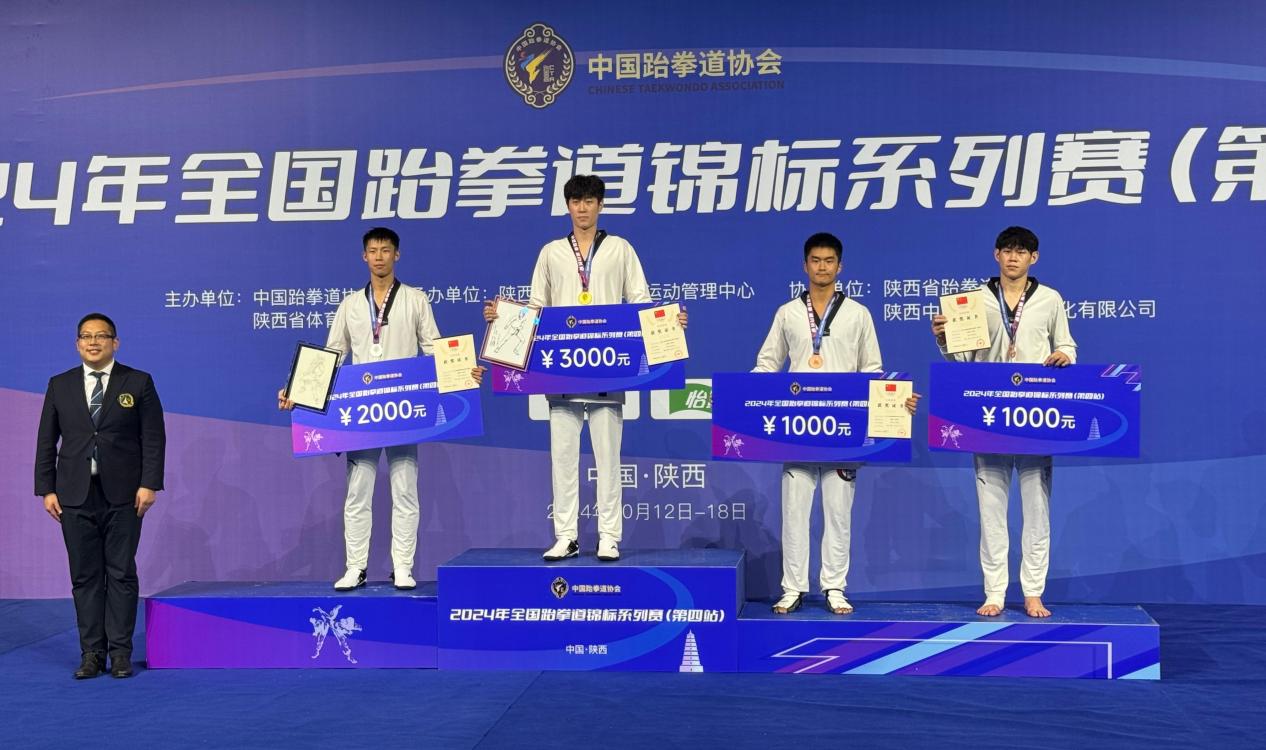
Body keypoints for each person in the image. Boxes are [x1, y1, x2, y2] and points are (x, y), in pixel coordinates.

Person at [483, 174, 685, 562]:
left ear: (600, 205)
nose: (582, 208)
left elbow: (641, 301)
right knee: (562, 459)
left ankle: (609, 536)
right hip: (560, 371)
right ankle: (566, 536)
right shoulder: (551, 252)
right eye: (576, 202)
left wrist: (669, 325)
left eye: (589, 201)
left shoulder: (621, 249)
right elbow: (535, 308)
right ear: (568, 206)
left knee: (608, 459)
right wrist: (503, 318)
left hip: (608, 369)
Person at [279, 227, 483, 591]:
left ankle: (402, 566)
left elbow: (433, 347)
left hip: (405, 411)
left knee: (405, 489)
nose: (379, 256)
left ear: (396, 255)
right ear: (364, 256)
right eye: (372, 250)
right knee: (358, 492)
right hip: (363, 413)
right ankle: (355, 568)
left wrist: (464, 372)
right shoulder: (349, 305)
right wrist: (297, 392)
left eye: (385, 250)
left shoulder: (416, 300)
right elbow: (332, 355)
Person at [754, 232, 919, 615]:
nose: (822, 267)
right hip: (797, 429)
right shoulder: (787, 313)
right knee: (794, 513)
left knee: (838, 514)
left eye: (829, 261)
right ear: (805, 265)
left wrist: (897, 402)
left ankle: (834, 587)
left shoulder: (858, 314)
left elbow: (873, 371)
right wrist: (737, 399)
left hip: (845, 431)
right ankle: (792, 588)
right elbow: (766, 365)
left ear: (840, 266)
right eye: (816, 260)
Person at [931, 226, 1076, 618]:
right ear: (996, 254)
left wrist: (1065, 355)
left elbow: (1066, 344)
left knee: (1037, 509)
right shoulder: (973, 301)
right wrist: (944, 340)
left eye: (1022, 251)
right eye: (1008, 250)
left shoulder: (1049, 299)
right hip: (988, 414)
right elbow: (961, 361)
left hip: (1035, 414)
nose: (1014, 257)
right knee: (991, 510)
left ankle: (1033, 592)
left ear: (1034, 258)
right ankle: (994, 591)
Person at [35, 313, 165, 679]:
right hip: (74, 494)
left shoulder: (137, 382)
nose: (94, 342)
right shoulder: (59, 385)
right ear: (78, 344)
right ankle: (92, 653)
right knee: (85, 576)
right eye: (86, 336)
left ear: (115, 343)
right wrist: (46, 488)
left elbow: (153, 438)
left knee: (121, 573)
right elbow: (46, 440)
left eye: (102, 336)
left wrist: (149, 483)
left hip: (125, 495)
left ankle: (120, 653)